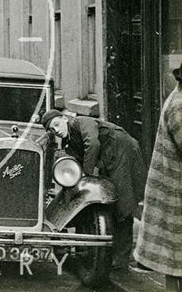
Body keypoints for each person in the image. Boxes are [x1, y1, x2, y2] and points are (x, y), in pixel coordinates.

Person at [40, 109, 147, 272]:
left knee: (123, 206)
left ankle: (121, 260)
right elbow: (73, 167)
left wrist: (87, 175)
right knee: (109, 202)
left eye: (56, 124)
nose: (57, 130)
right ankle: (110, 255)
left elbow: (93, 143)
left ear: (63, 118)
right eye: (52, 130)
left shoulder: (82, 122)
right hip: (108, 160)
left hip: (123, 152)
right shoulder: (68, 142)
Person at [134, 62, 182, 290]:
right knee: (176, 263)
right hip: (175, 198)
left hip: (173, 194)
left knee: (176, 263)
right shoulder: (179, 106)